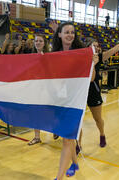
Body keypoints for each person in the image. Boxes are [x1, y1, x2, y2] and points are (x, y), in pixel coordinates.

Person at [75, 32, 119, 157]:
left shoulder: (99, 57)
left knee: (98, 119)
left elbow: (115, 48)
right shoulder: (79, 58)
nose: (97, 48)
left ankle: (102, 134)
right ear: (87, 48)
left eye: (97, 46)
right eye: (94, 46)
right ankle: (78, 145)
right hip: (80, 92)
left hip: (94, 91)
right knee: (78, 121)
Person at [52, 22, 85, 180]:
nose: (70, 35)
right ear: (60, 34)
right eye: (66, 32)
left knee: (67, 139)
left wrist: (93, 62)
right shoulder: (55, 54)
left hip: (74, 101)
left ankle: (59, 177)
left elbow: (90, 79)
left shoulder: (80, 53)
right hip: (59, 101)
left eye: (72, 32)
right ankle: (75, 163)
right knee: (69, 137)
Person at [27, 34, 59, 145]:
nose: (38, 43)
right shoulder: (30, 57)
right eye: (36, 41)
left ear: (44, 43)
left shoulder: (48, 56)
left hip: (47, 88)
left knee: (50, 111)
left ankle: (55, 129)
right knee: (35, 112)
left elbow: (52, 71)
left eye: (40, 41)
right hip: (35, 88)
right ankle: (37, 137)